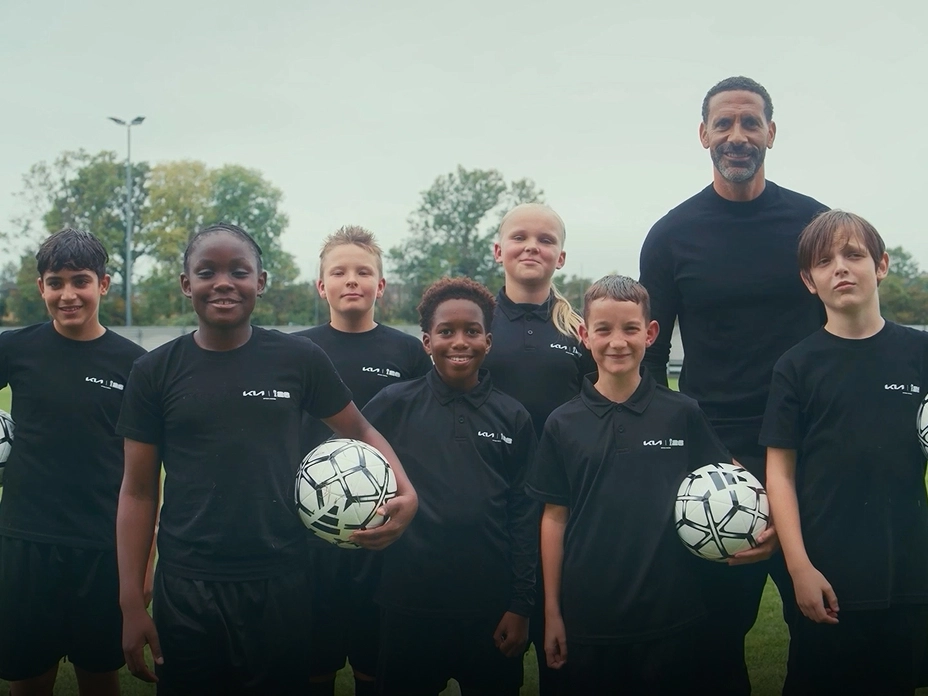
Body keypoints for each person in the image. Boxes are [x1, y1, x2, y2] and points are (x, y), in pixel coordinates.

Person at [115, 222, 418, 695]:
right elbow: (137, 490)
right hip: (189, 583)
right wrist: (132, 602)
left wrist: (406, 491)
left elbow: (359, 429)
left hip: (281, 580)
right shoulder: (154, 372)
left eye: (239, 271)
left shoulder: (298, 359)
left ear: (260, 281)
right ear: (185, 283)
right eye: (206, 271)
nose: (222, 282)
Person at [638, 75, 827, 694]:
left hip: (812, 450)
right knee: (712, 638)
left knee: (824, 624)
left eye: (751, 123)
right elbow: (651, 358)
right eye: (724, 124)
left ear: (771, 132)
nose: (737, 136)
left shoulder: (814, 227)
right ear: (703, 136)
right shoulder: (671, 235)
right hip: (719, 457)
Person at [527, 275, 731, 695]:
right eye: (603, 329)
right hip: (587, 619)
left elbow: (726, 482)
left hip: (672, 616)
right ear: (585, 335)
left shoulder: (683, 414)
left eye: (630, 328)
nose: (616, 341)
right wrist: (552, 613)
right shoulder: (562, 423)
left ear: (651, 334)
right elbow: (554, 518)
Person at [761, 210, 928, 695]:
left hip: (908, 571)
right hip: (828, 576)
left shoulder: (917, 354)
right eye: (824, 261)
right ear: (808, 282)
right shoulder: (796, 366)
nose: (840, 267)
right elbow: (781, 473)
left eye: (853, 255)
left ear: (880, 265)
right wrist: (799, 568)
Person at [362, 277, 538, 696]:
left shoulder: (513, 417)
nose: (460, 342)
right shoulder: (393, 403)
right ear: (426, 341)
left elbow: (524, 514)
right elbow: (347, 462)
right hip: (408, 604)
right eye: (446, 332)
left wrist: (520, 605)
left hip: (490, 608)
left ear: (488, 341)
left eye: (472, 331)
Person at [0, 228, 147, 696]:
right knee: (28, 677)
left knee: (100, 675)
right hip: (25, 541)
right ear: (41, 286)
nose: (68, 294)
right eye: (55, 282)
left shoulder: (135, 365)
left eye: (80, 281)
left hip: (102, 546)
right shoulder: (15, 350)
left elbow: (147, 474)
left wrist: (143, 566)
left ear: (103, 285)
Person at [293, 226, 432, 696]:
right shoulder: (299, 351)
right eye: (339, 271)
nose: (351, 280)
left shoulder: (409, 352)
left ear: (381, 285)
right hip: (312, 536)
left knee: (378, 663)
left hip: (386, 535)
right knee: (313, 661)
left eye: (363, 271)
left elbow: (420, 433)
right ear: (321, 286)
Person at [482, 203, 595, 695]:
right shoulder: (475, 321)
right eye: (520, 237)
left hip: (564, 504)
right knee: (493, 657)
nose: (532, 246)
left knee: (563, 655)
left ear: (562, 257)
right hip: (491, 505)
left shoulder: (578, 330)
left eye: (546, 240)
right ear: (498, 250)